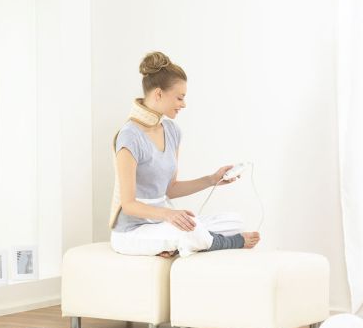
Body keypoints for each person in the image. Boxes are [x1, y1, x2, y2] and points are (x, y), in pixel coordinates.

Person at [109, 51, 260, 258]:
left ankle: (188, 242)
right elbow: (128, 205)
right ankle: (225, 242)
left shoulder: (172, 131)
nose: (184, 104)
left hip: (161, 224)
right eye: (179, 98)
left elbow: (170, 189)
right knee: (190, 232)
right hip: (132, 232)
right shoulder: (129, 136)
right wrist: (168, 214)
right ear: (159, 94)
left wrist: (212, 179)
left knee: (235, 221)